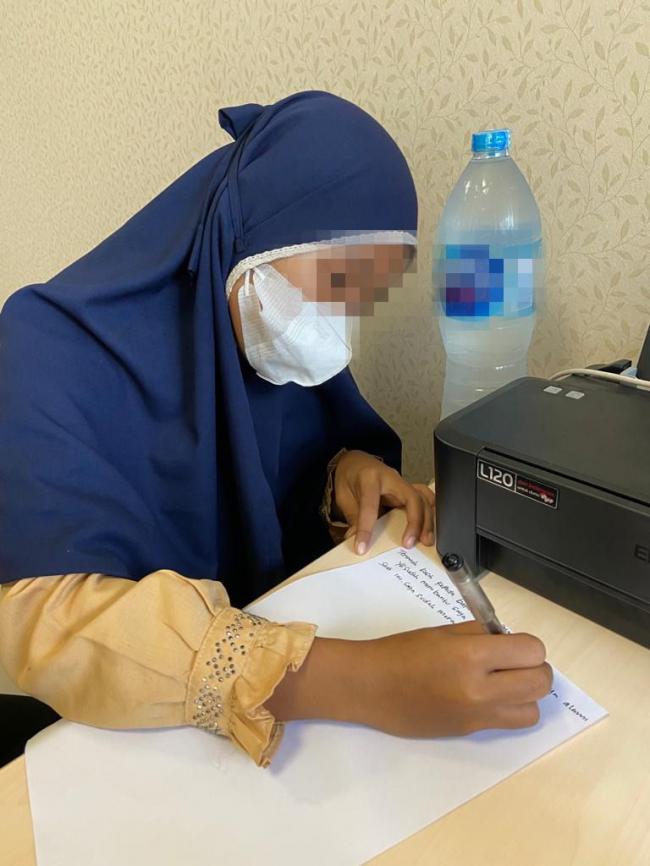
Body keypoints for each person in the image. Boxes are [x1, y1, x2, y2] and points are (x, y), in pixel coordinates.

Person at [0, 91, 551, 768]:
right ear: (248, 239)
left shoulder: (252, 344)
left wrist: (341, 475)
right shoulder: (39, 350)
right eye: (339, 281)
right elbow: (43, 619)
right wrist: (361, 682)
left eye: (365, 300)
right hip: (94, 745)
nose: (341, 329)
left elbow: (274, 468)